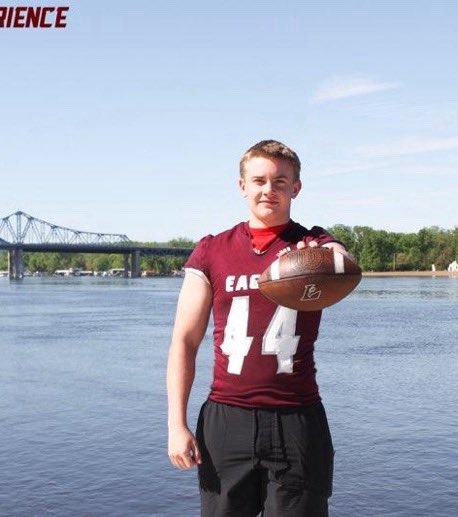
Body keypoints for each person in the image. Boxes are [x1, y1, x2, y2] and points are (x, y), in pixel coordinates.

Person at [166, 139, 350, 516]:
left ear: (295, 187)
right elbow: (185, 341)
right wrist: (176, 424)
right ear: (242, 186)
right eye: (259, 180)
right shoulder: (211, 250)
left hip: (297, 418)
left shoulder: (312, 243)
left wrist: (326, 255)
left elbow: (345, 265)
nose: (269, 189)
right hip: (226, 421)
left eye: (281, 181)